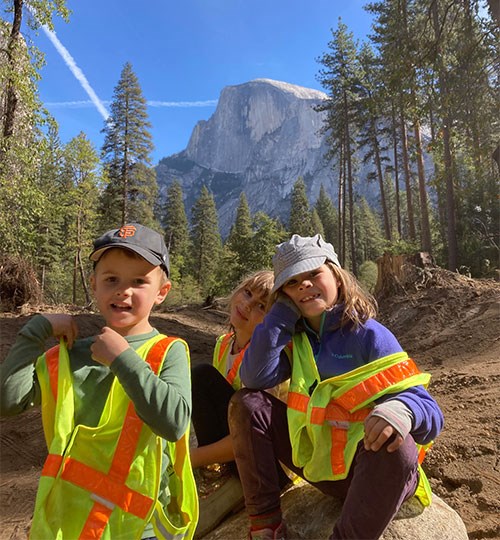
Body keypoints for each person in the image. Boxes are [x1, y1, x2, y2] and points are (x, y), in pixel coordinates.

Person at [228, 234, 444, 540]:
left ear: (337, 277)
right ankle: (266, 528)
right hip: (320, 466)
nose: (304, 285)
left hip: (371, 472)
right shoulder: (296, 339)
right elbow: (254, 378)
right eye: (292, 282)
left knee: (396, 446)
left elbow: (432, 414)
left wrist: (401, 409)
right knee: (247, 404)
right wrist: (280, 315)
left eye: (314, 274)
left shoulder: (369, 335)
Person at [0, 223, 198, 540]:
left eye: (139, 281)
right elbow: (7, 401)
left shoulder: (167, 353)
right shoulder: (69, 356)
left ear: (161, 292)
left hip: (137, 526)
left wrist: (122, 358)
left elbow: (174, 423)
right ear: (94, 285)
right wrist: (36, 329)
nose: (124, 290)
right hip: (68, 523)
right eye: (111, 279)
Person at [190, 270, 290, 536]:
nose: (247, 305)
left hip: (269, 464)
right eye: (247, 292)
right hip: (240, 451)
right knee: (201, 379)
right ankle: (227, 476)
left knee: (201, 377)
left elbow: (256, 432)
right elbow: (214, 414)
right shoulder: (224, 344)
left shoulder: (268, 360)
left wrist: (191, 458)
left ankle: (236, 485)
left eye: (261, 306)